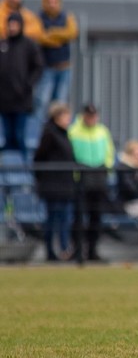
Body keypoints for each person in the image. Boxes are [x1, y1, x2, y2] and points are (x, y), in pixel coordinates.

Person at [67, 104, 114, 262]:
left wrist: (106, 168)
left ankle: (93, 250)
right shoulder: (74, 131)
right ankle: (78, 250)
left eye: (94, 116)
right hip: (81, 178)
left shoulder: (102, 131)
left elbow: (109, 152)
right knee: (79, 216)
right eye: (89, 115)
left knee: (96, 216)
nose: (92, 119)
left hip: (99, 177)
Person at [33, 102, 77, 262]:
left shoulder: (65, 134)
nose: (69, 119)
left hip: (65, 185)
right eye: (66, 116)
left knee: (65, 219)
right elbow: (38, 159)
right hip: (53, 186)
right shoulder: (50, 134)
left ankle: (65, 250)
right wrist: (44, 180)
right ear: (57, 116)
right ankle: (51, 251)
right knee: (53, 219)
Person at [0, 12, 44, 159]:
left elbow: (38, 67)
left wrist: (27, 84)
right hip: (4, 102)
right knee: (7, 139)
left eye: (15, 24)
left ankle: (24, 173)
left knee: (20, 138)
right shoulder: (3, 44)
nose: (12, 27)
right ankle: (7, 176)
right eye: (10, 24)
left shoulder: (29, 45)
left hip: (21, 101)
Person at [35, 0, 79, 126]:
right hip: (47, 67)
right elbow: (40, 36)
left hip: (64, 67)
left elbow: (72, 32)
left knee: (61, 103)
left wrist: (53, 33)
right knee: (42, 102)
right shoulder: (39, 18)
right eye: (49, 0)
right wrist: (60, 36)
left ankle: (59, 131)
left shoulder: (67, 16)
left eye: (55, 0)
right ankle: (41, 133)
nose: (52, 3)